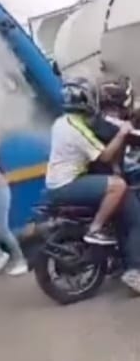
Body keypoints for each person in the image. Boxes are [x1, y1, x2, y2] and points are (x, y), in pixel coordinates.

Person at [45, 78, 140, 293]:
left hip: (62, 182)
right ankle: (134, 270)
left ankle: (119, 260)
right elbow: (106, 156)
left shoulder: (62, 122)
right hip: (70, 184)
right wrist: (124, 132)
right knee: (132, 211)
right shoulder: (82, 127)